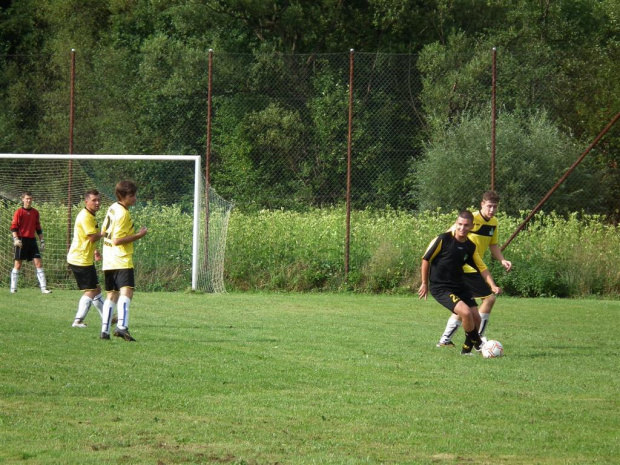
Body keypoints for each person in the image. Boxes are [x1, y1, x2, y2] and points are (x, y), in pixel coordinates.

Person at [419, 210, 502, 355]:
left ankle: (466, 351)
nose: (462, 228)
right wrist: (424, 283)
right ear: (456, 224)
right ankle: (479, 344)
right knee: (465, 312)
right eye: (460, 224)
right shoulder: (443, 239)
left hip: (459, 286)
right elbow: (426, 259)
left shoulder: (469, 246)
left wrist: (492, 285)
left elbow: (481, 267)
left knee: (476, 318)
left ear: (471, 227)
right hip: (441, 287)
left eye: (466, 225)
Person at [436, 191, 512, 347]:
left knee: (464, 306)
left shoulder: (493, 223)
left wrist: (502, 259)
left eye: (495, 207)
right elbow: (447, 236)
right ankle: (479, 337)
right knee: (489, 298)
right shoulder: (470, 220)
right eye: (489, 206)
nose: (492, 210)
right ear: (482, 204)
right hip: (465, 267)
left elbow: (493, 245)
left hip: (473, 266)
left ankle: (445, 340)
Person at [99, 180, 147, 341]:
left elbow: (104, 231)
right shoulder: (123, 213)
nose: (134, 198)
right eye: (131, 195)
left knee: (111, 295)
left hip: (109, 258)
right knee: (127, 292)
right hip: (121, 258)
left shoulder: (112, 207)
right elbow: (117, 240)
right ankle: (122, 327)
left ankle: (104, 331)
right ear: (122, 196)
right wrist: (138, 235)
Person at [67, 189, 105, 328]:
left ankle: (107, 318)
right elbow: (92, 236)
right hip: (79, 259)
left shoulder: (90, 215)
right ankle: (77, 321)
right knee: (91, 291)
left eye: (99, 200)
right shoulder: (85, 216)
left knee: (96, 289)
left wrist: (95, 250)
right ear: (86, 202)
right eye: (94, 200)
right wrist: (105, 233)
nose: (97, 203)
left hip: (85, 258)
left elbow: (86, 237)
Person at [10, 191, 52, 294]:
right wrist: (16, 239)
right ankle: (13, 289)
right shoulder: (19, 212)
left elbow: (38, 228)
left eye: (30, 199)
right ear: (23, 199)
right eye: (27, 198)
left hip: (32, 240)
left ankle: (43, 288)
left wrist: (42, 241)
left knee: (38, 263)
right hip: (21, 240)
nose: (28, 200)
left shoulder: (35, 212)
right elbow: (14, 227)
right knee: (18, 265)